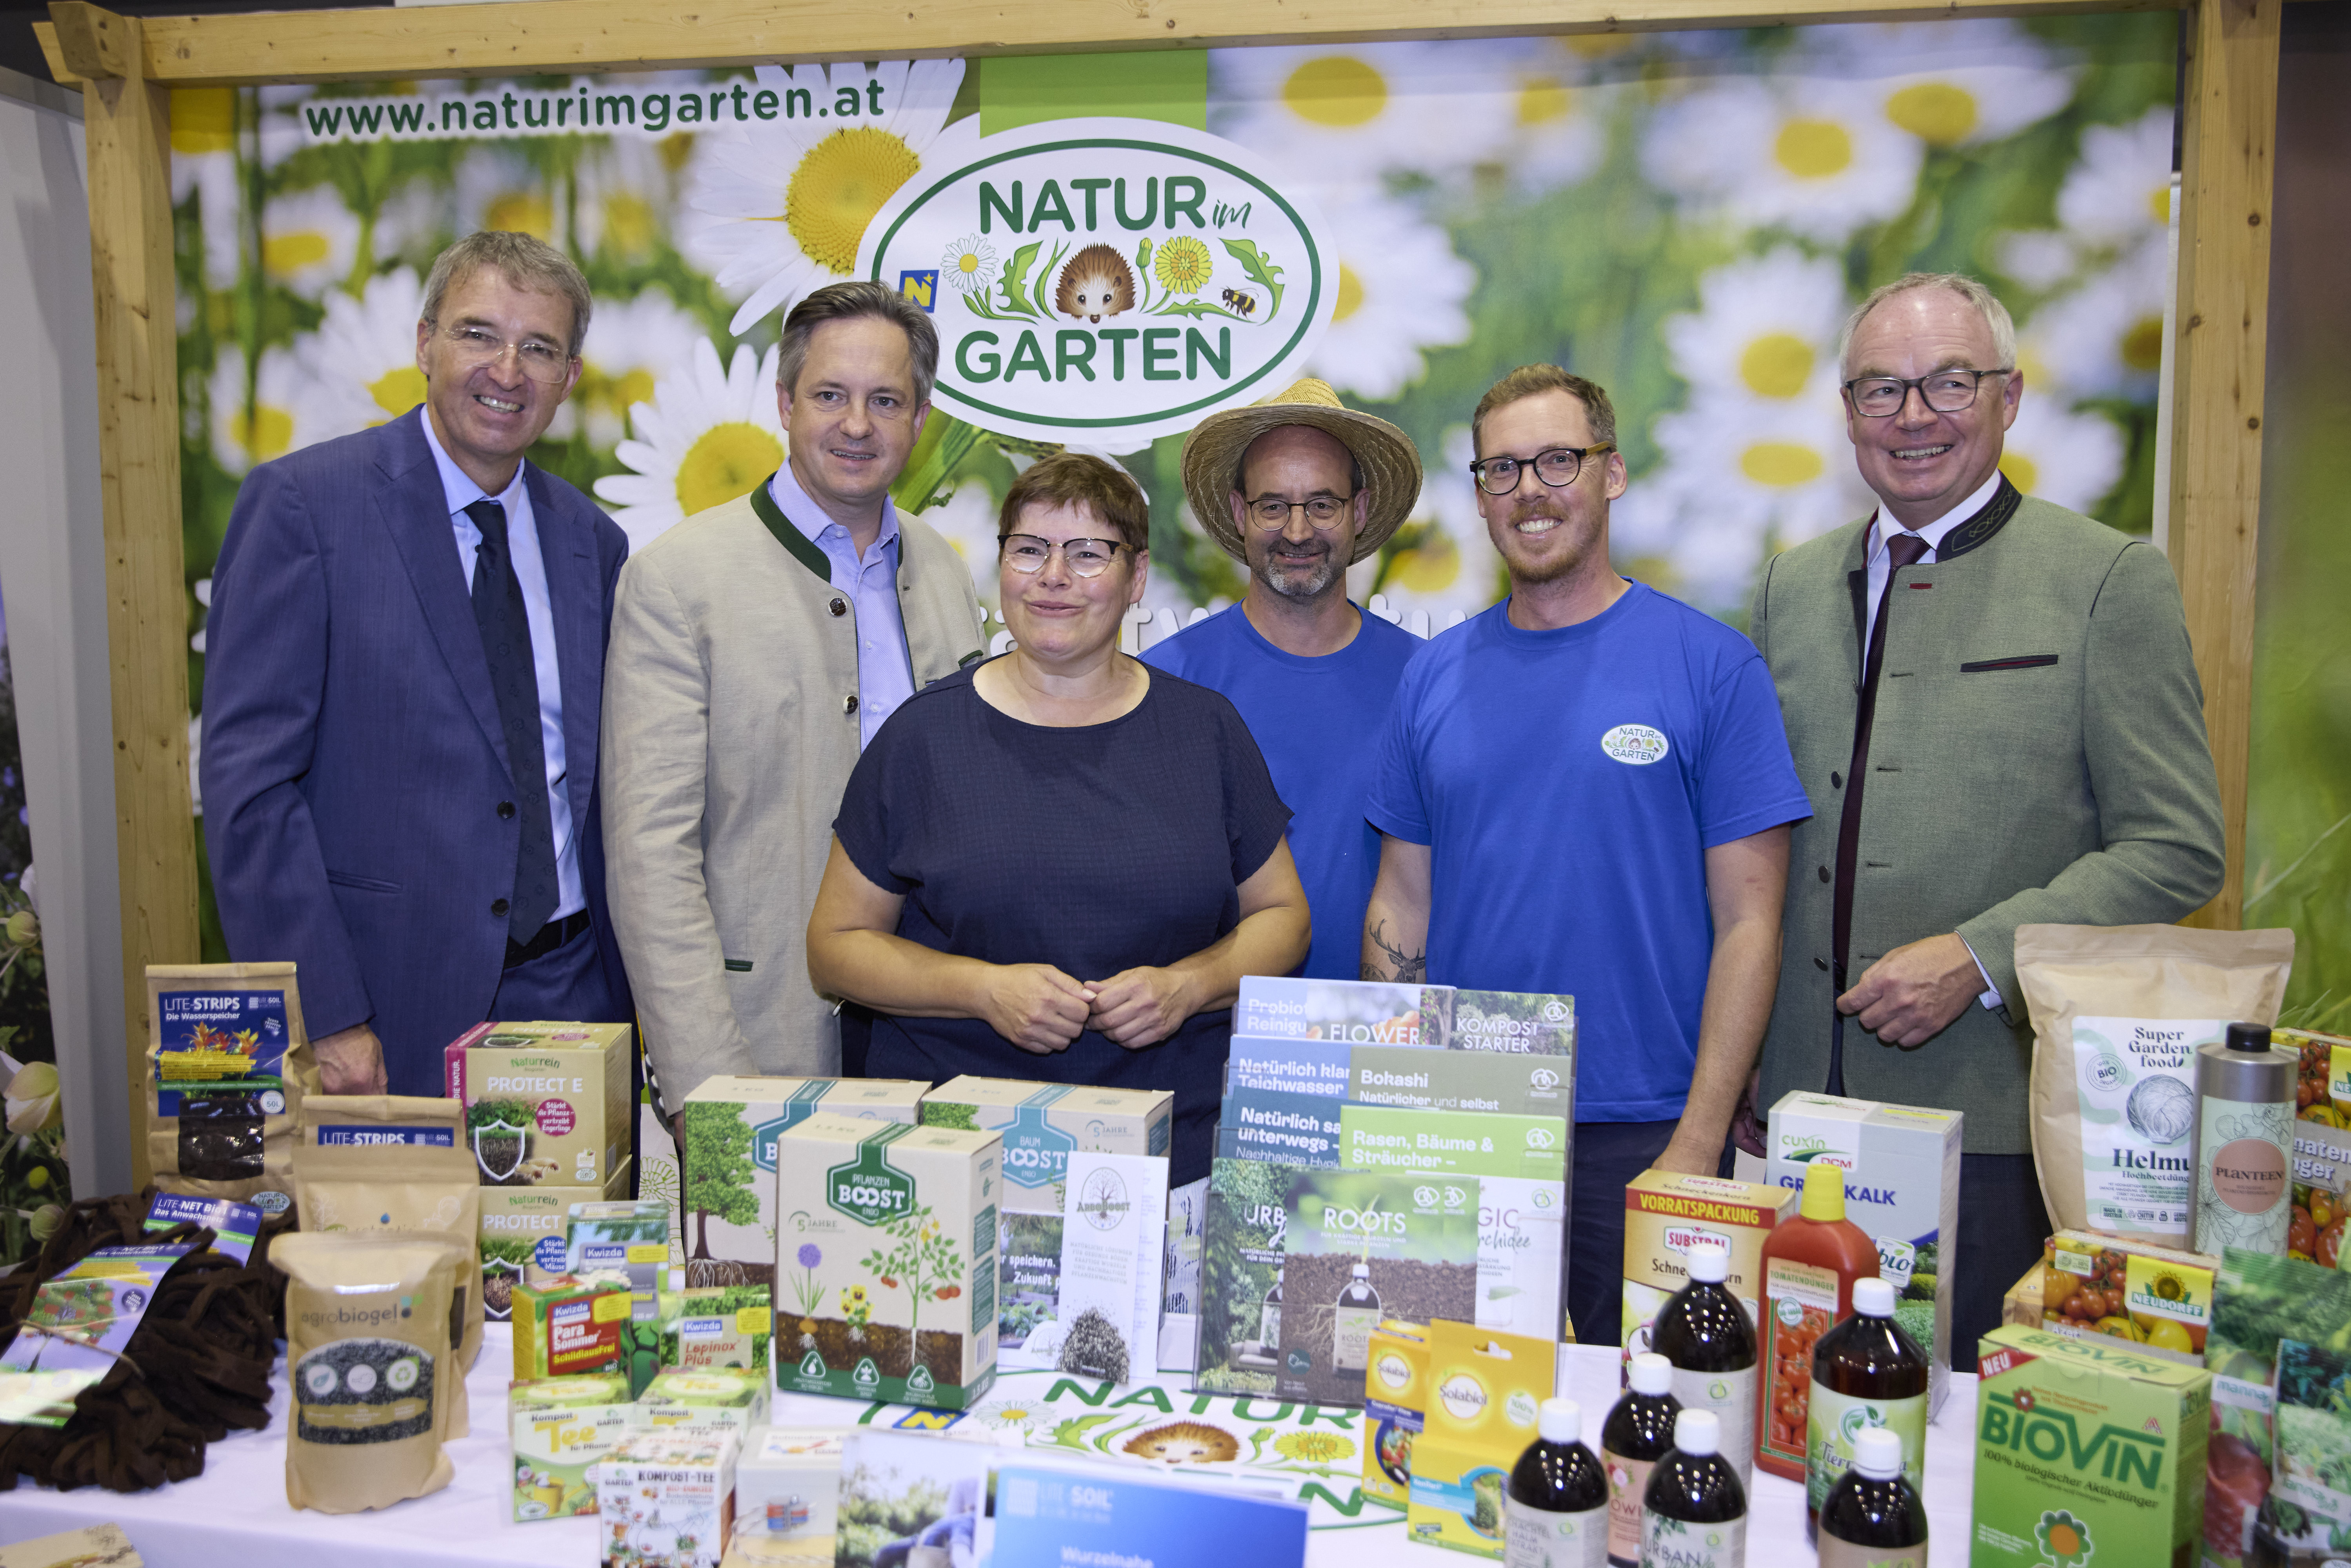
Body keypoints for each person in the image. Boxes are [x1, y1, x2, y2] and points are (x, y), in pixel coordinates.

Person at [1749, 272, 2224, 1367]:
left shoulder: (2106, 580)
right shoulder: (1787, 586)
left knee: (1960, 1422)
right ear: (1847, 413)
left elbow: (2176, 845)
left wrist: (1977, 955)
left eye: (1949, 382)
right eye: (1881, 389)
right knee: (1796, 1414)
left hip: (1995, 1126)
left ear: (2009, 397)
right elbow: (1758, 844)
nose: (1913, 415)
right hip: (1797, 1114)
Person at [1361, 365, 1811, 1347]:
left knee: (1654, 1405)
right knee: (1456, 1396)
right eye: (1502, 469)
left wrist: (1697, 1140)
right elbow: (1402, 898)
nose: (1530, 490)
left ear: (1612, 474)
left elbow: (1751, 921)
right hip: (1472, 1118)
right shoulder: (1432, 677)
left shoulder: (1710, 665)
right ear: (1480, 495)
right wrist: (1410, 1102)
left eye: (1557, 461)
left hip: (1648, 1128)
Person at [202, 231, 633, 1097]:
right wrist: (326, 1012)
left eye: (539, 348)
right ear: (425, 342)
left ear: (570, 377)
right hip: (386, 1009)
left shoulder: (593, 542)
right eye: (478, 334)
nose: (507, 371)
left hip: (575, 999)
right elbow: (250, 789)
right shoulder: (305, 507)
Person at [805, 452, 1311, 1186]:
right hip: (958, 1162)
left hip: (1170, 1156)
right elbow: (835, 947)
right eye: (1030, 549)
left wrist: (1191, 986)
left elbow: (1285, 917)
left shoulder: (1205, 731)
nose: (1053, 576)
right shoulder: (923, 738)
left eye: (1087, 554)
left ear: (1137, 577)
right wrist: (982, 990)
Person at [603, 282, 985, 1111]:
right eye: (829, 396)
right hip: (760, 1036)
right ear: (783, 403)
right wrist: (705, 1087)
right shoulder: (677, 582)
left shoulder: (945, 571)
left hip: (936, 1040)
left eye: (886, 400)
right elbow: (650, 860)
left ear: (921, 418)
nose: (858, 425)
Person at [1142, 379, 1424, 980]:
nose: (1297, 532)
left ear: (1360, 512)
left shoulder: (1426, 682)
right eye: (1273, 506)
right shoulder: (1166, 680)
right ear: (1239, 512)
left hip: (1383, 1030)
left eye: (1322, 505)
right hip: (1210, 1026)